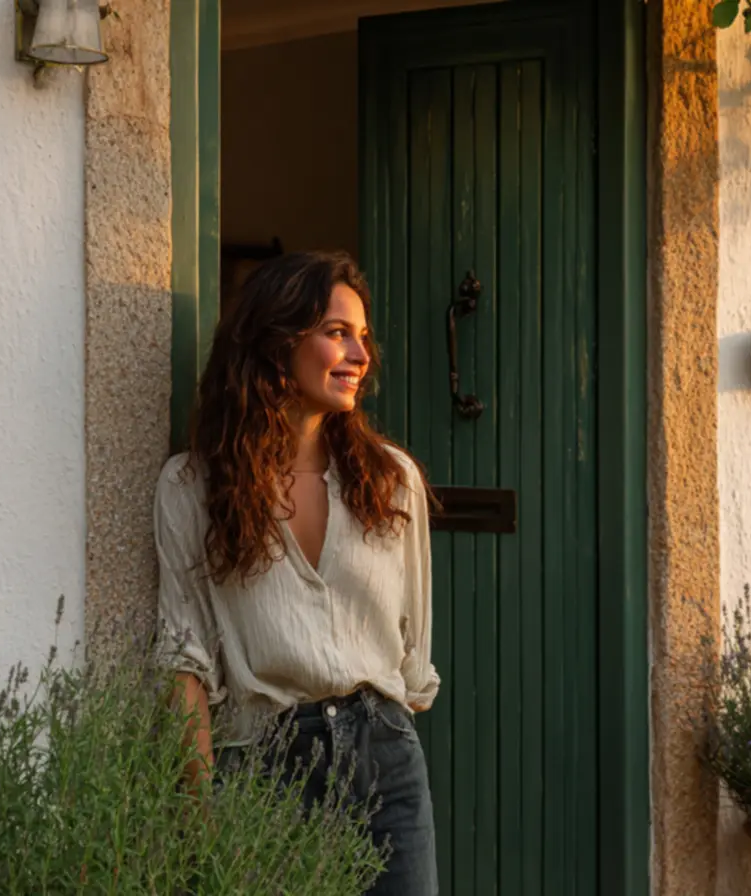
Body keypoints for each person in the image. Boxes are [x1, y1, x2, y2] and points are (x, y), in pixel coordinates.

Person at [152, 250, 439, 895]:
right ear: (277, 339)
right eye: (337, 333)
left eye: (363, 336)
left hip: (384, 768)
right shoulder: (193, 488)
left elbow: (412, 659)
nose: (361, 355)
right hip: (263, 770)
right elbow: (183, 666)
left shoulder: (393, 484)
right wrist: (200, 825)